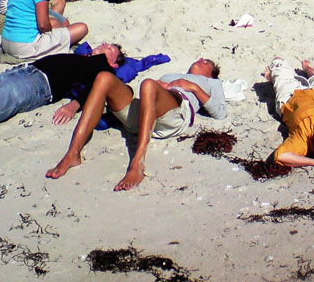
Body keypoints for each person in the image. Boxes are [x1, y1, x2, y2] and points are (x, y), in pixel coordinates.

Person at [46, 57, 227, 191]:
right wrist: (167, 83)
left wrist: (191, 86)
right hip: (144, 113)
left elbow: (220, 113)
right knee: (104, 77)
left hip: (174, 116)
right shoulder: (170, 75)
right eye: (201, 59)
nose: (201, 60)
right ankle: (73, 153)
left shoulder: (211, 83)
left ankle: (137, 164)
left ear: (211, 73)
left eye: (207, 64)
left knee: (148, 84)